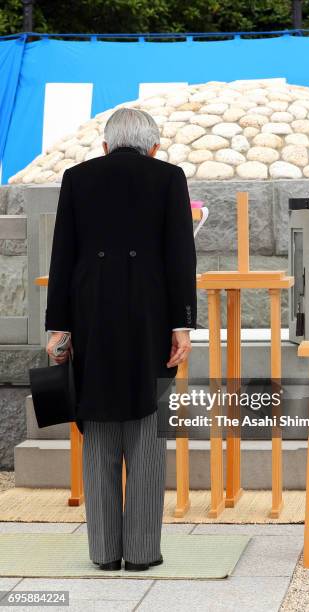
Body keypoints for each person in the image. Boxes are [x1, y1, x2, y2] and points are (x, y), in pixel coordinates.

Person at [45, 108, 197, 571]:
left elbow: (63, 253)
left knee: (98, 432)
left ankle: (104, 551)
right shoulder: (169, 178)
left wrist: (58, 325)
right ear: (153, 145)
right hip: (150, 318)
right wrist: (182, 325)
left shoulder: (77, 178)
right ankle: (143, 552)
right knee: (147, 437)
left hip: (91, 316)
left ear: (106, 144)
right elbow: (179, 256)